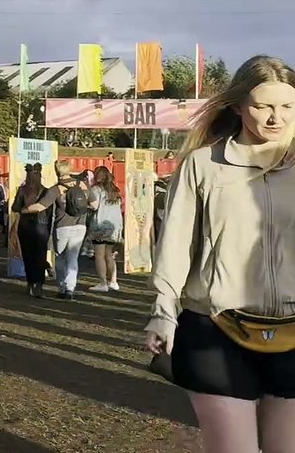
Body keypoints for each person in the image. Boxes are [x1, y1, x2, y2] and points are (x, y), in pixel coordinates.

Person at [144, 56, 295, 453]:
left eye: (288, 106)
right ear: (238, 105)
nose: (276, 117)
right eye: (263, 106)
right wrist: (163, 311)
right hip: (215, 330)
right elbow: (175, 243)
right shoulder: (202, 165)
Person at [23, 160, 90, 300]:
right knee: (73, 258)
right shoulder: (83, 185)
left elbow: (41, 206)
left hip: (62, 226)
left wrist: (25, 210)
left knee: (60, 258)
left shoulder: (56, 189)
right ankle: (70, 288)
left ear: (56, 171)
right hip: (81, 226)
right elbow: (95, 204)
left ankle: (62, 286)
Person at [11, 163, 50, 297]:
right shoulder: (46, 190)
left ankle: (30, 283)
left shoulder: (22, 190)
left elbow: (15, 208)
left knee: (28, 256)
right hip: (41, 225)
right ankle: (39, 285)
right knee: (40, 256)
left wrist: (24, 209)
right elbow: (49, 211)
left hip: (25, 226)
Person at [86, 165, 123, 293]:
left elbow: (94, 205)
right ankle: (113, 281)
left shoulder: (96, 189)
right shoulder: (115, 190)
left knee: (99, 255)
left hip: (100, 225)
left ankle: (102, 282)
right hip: (114, 225)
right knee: (109, 255)